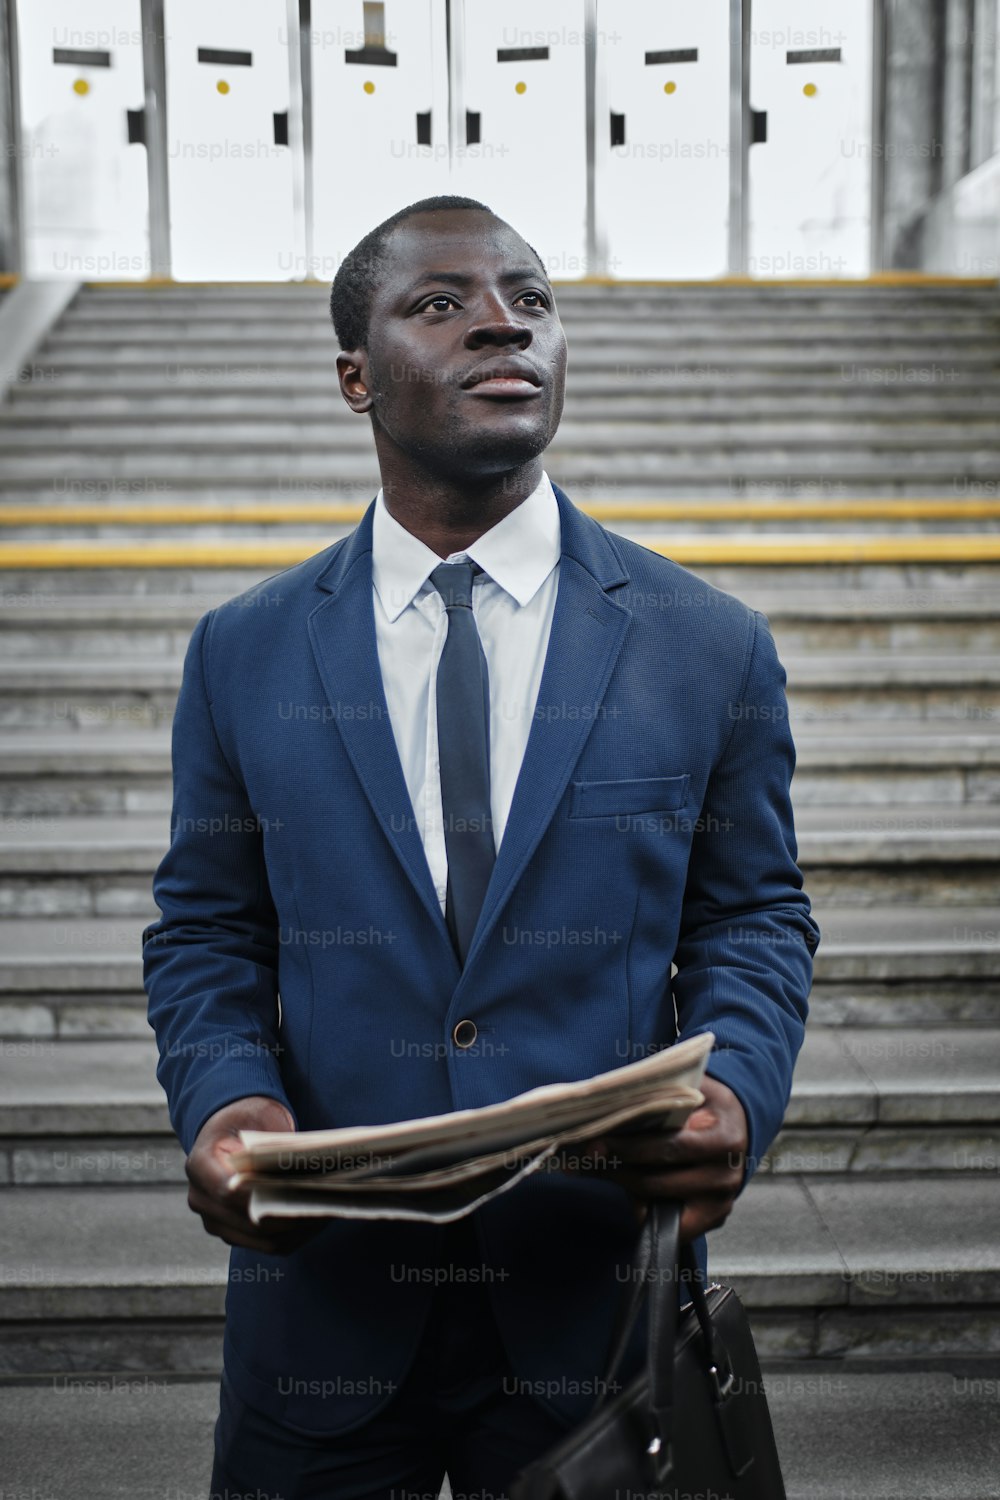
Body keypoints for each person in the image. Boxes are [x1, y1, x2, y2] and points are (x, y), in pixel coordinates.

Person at [143, 195, 819, 1500]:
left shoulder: (706, 643)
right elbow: (211, 929)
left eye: (530, 298)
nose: (503, 321)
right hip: (325, 1320)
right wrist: (227, 1102)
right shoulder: (246, 650)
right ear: (356, 376)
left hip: (596, 1319)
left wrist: (735, 1089)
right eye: (441, 304)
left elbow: (751, 917)